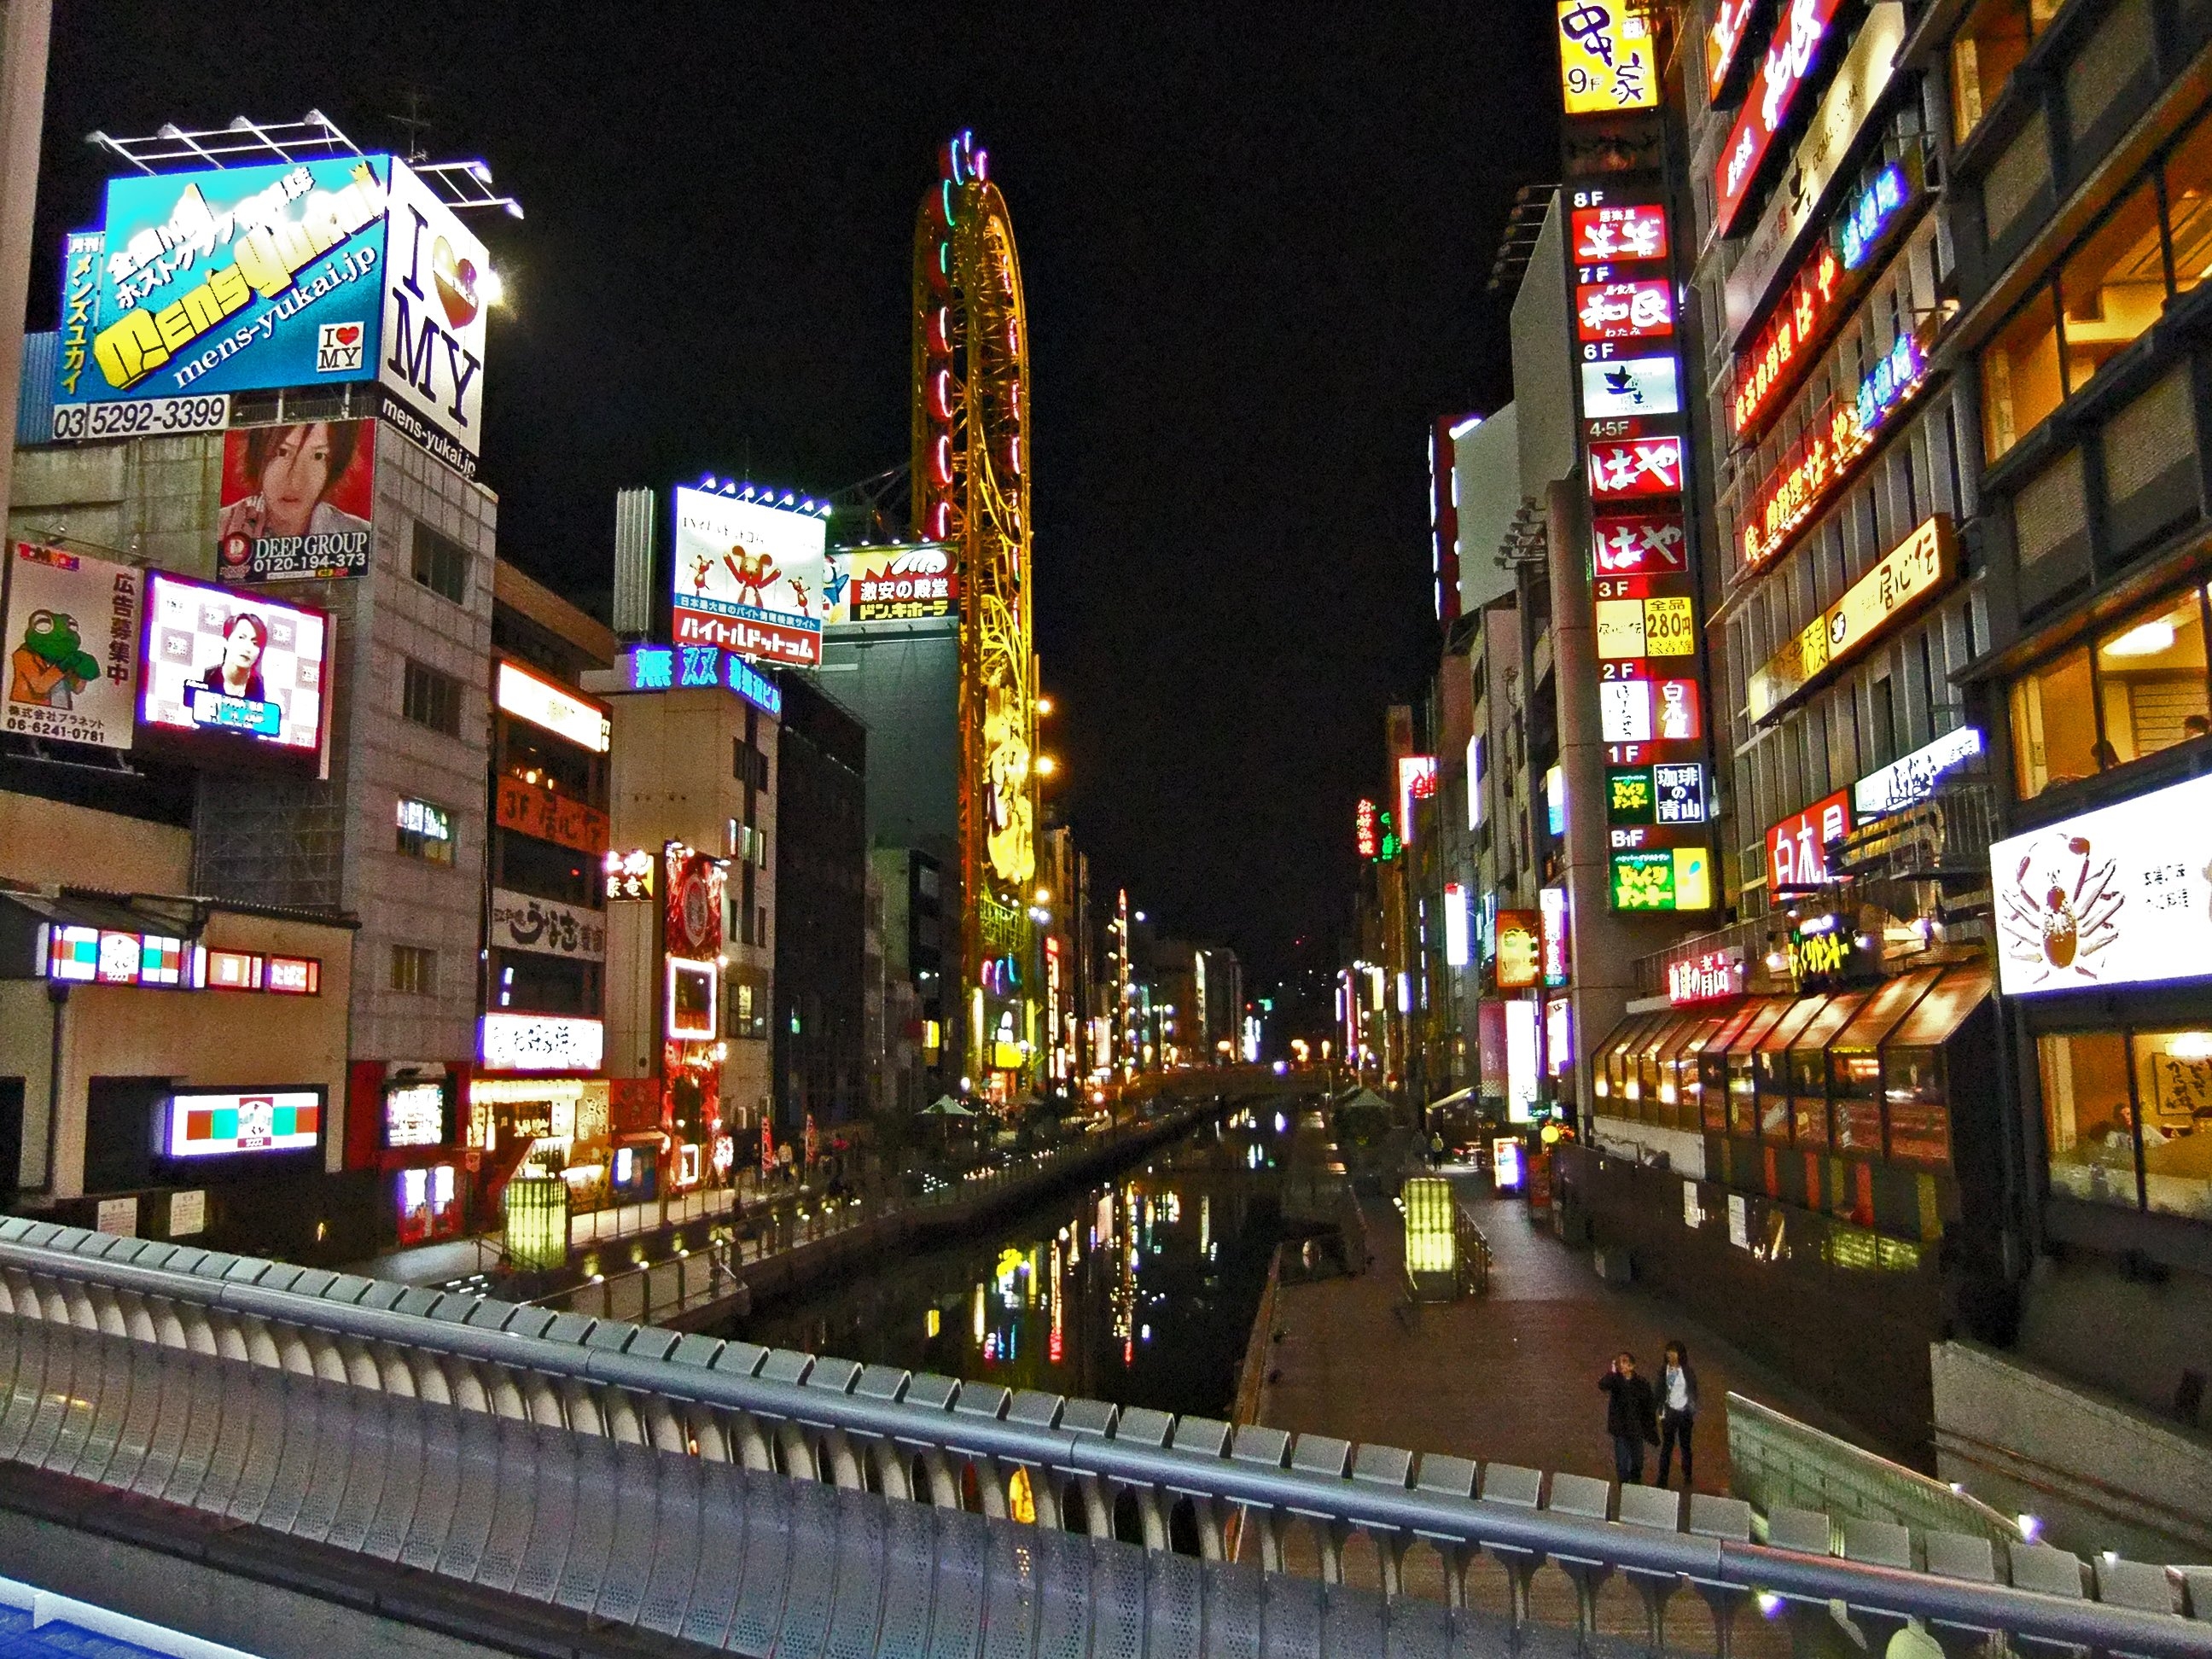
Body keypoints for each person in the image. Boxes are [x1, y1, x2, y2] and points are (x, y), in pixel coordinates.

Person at [217, 422, 368, 553]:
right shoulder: (217, 529)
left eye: (318, 456)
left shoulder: (362, 536)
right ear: (257, 453)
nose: (296, 481)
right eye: (282, 452)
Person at [1599, 1351, 1657, 1486]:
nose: (1621, 1364)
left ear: (1632, 1366)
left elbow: (1649, 1404)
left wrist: (1649, 1425)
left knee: (1637, 1462)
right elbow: (1602, 1385)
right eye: (1620, 1361)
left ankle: (1635, 1484)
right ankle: (1624, 1487)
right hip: (1620, 1430)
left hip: (1636, 1429)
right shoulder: (1615, 1381)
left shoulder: (1641, 1383)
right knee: (1622, 1463)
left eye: (1625, 1362)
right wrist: (1612, 1373)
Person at [1658, 1340, 1700, 1489]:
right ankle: (1662, 1479)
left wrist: (1691, 1407)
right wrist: (1660, 1411)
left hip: (1684, 1414)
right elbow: (1660, 1391)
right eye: (1669, 1351)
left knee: (1685, 1446)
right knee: (1667, 1447)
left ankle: (1687, 1473)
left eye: (1674, 1352)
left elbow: (1693, 1391)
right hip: (1669, 1413)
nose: (1670, 1355)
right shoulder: (1664, 1371)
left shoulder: (1687, 1371)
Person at [201, 612, 269, 703]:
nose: (247, 648)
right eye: (241, 638)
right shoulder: (203, 677)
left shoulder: (265, 689)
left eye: (255, 643)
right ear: (226, 641)